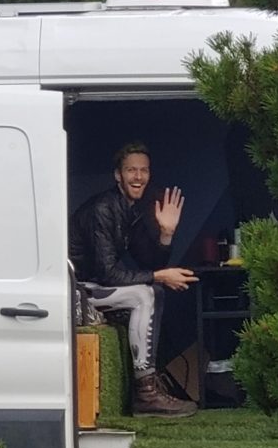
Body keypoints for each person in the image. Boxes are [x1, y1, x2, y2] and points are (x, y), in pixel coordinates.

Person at [69, 142, 200, 417]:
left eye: (144, 170)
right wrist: (159, 277)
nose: (138, 177)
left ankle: (150, 386)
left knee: (153, 291)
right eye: (131, 170)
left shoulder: (130, 209)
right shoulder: (104, 208)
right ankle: (146, 394)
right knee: (145, 294)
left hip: (93, 290)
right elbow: (108, 273)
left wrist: (166, 233)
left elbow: (150, 262)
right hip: (74, 294)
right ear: (118, 175)